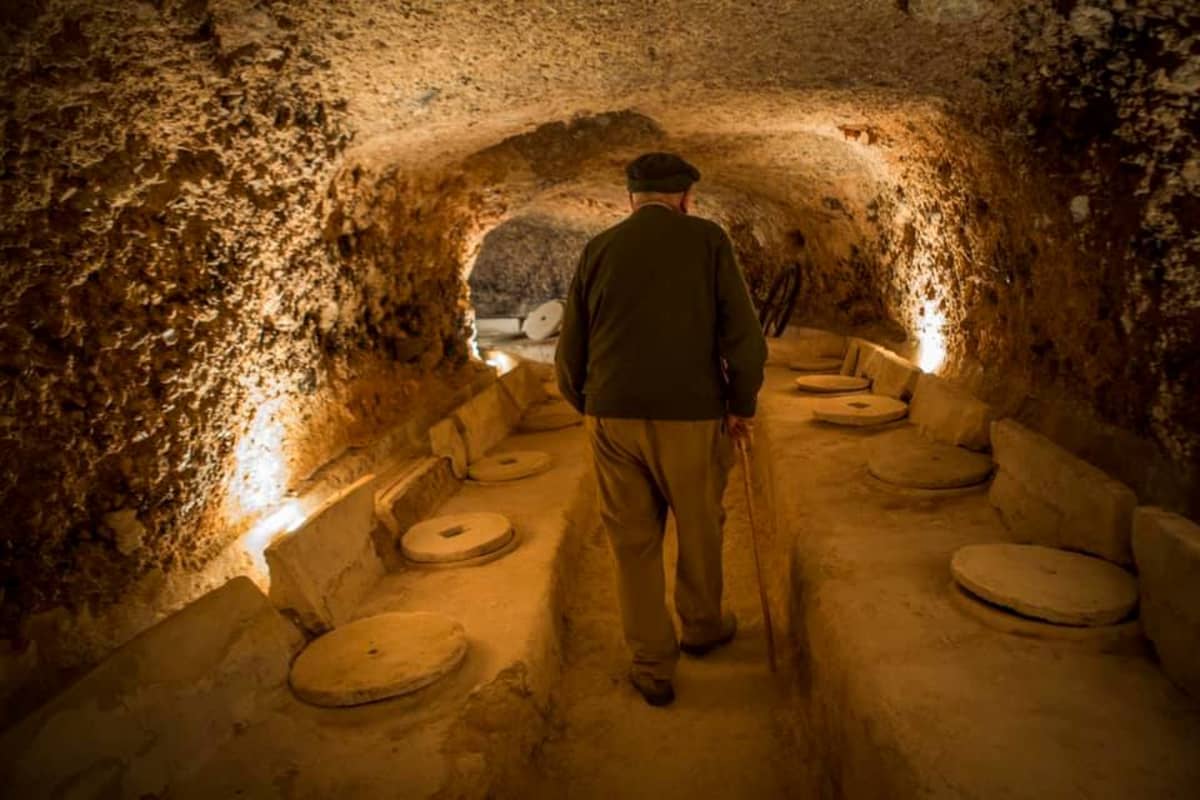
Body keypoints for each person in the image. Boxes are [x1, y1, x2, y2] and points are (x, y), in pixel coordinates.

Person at [555, 152, 768, 707]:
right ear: (685, 198)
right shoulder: (707, 241)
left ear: (631, 199)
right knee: (699, 526)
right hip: (691, 414)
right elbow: (743, 335)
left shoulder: (597, 249)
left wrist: (588, 403)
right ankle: (701, 627)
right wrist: (741, 402)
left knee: (632, 542)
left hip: (611, 415)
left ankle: (652, 663)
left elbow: (569, 345)